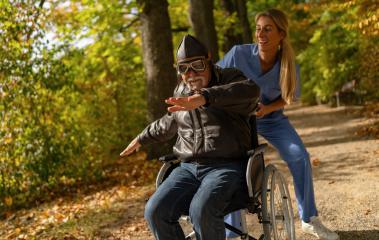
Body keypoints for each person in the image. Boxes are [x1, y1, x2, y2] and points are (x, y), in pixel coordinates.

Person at [120, 34, 260, 240]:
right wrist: (142, 138)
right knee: (155, 211)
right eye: (183, 68)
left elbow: (250, 91)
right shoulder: (181, 90)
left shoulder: (230, 77)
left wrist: (205, 98)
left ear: (209, 59)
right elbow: (168, 122)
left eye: (197, 65)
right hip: (187, 169)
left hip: (226, 166)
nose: (191, 73)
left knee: (201, 209)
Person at [217, 8, 339, 240]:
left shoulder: (288, 64)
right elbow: (216, 80)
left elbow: (288, 96)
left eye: (268, 29)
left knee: (300, 156)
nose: (261, 34)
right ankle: (231, 231)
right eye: (258, 28)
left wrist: (268, 109)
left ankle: (309, 219)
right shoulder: (238, 54)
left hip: (271, 118)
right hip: (238, 119)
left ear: (281, 34)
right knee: (233, 164)